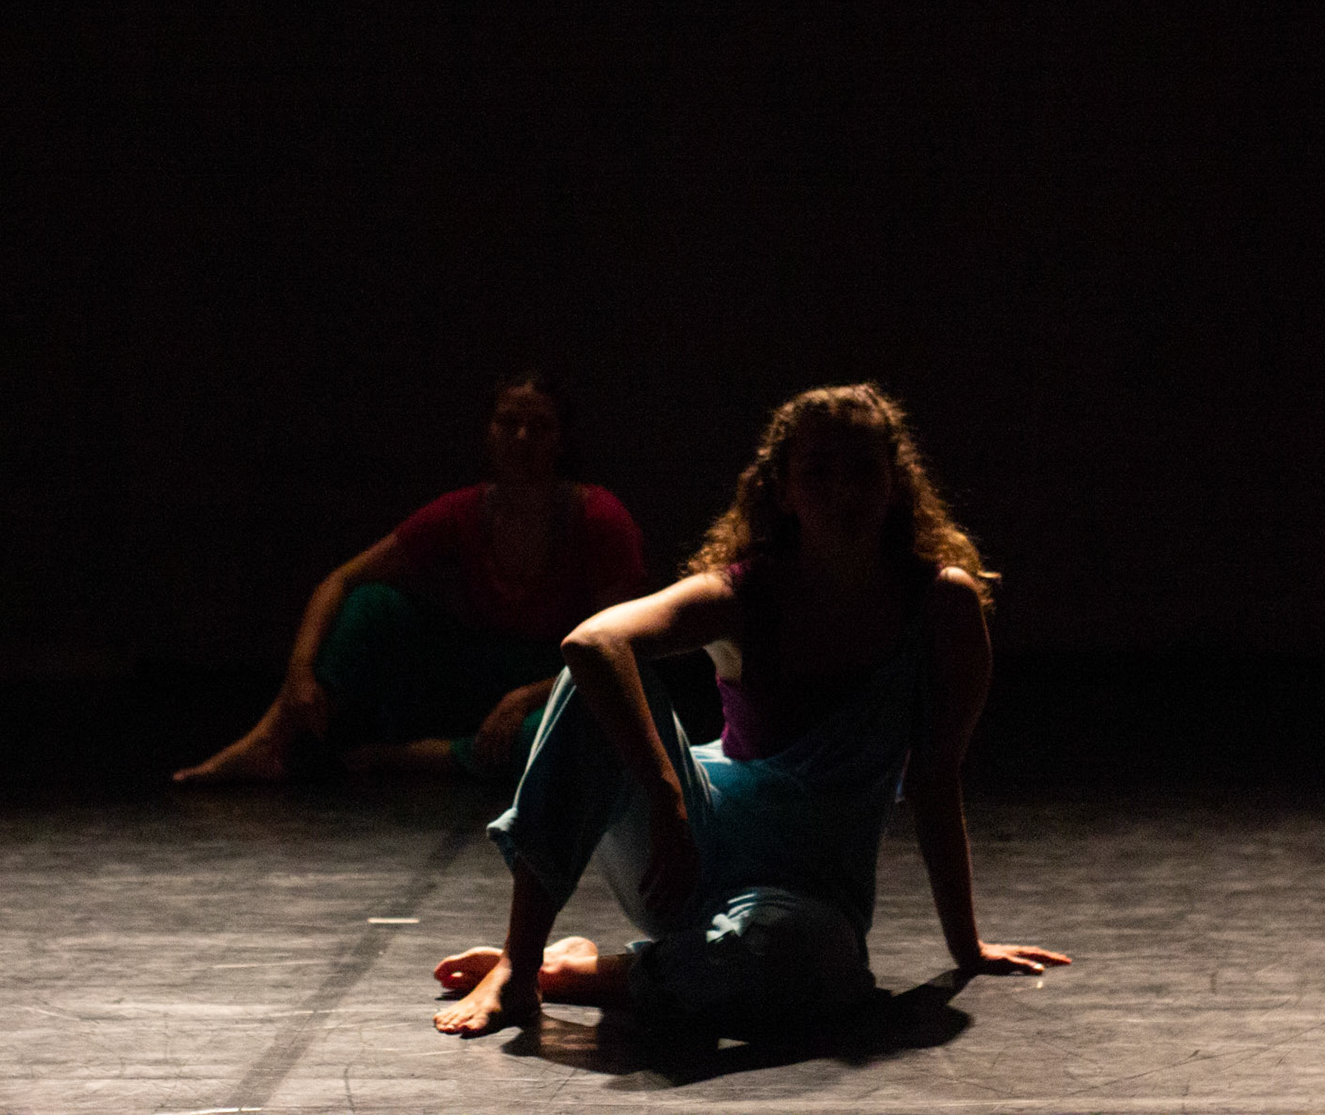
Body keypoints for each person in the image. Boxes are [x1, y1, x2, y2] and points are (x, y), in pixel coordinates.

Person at [429, 384, 1069, 1039]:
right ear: (783, 491)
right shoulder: (745, 593)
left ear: (894, 485)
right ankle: (521, 963)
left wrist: (967, 948)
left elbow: (935, 778)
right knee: (588, 680)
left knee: (813, 963)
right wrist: (665, 795)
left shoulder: (940, 604)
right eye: (818, 472)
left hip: (807, 896)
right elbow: (593, 642)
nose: (842, 492)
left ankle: (575, 973)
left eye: (862, 470)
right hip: (686, 850)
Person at [173, 371, 646, 784]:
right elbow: (340, 582)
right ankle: (270, 741)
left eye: (539, 427)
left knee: (554, 740)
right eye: (508, 423)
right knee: (372, 604)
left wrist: (525, 698)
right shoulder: (465, 511)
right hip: (482, 676)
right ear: (488, 432)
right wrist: (298, 673)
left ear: (561, 439)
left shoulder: (598, 519)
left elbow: (618, 649)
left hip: (559, 681)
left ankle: (429, 757)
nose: (521, 437)